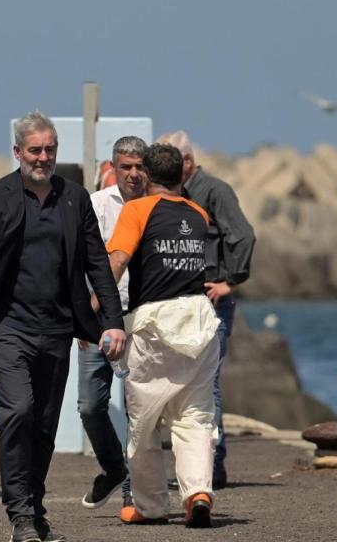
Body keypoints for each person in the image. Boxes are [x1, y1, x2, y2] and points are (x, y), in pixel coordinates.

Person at [0, 111, 126, 542]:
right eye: (35, 150)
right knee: (18, 412)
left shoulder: (74, 198)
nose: (44, 157)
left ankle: (34, 509)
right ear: (18, 152)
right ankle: (21, 516)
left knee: (45, 427)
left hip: (58, 329)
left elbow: (97, 266)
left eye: (50, 149)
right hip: (7, 327)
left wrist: (112, 323)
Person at [105, 143, 220, 528]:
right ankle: (198, 493)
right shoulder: (199, 214)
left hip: (154, 321)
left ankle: (150, 506)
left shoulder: (136, 209)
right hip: (199, 319)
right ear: (183, 175)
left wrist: (97, 310)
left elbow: (118, 260)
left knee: (145, 420)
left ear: (149, 177)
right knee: (195, 416)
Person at [159, 130, 255, 490]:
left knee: (208, 382)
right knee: (182, 384)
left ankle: (213, 465)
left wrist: (231, 281)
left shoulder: (214, 191)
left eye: (169, 160)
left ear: (186, 161)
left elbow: (243, 235)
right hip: (179, 302)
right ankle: (195, 462)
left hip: (210, 301)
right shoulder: (173, 195)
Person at [77, 136, 147, 510]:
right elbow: (77, 262)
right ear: (113, 168)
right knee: (89, 405)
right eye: (126, 167)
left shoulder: (157, 205)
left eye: (139, 167)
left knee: (141, 408)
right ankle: (113, 467)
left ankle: (135, 490)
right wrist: (81, 316)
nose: (133, 174)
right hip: (100, 317)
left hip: (144, 319)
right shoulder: (97, 205)